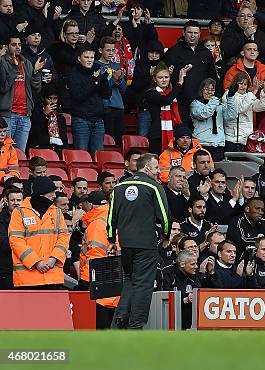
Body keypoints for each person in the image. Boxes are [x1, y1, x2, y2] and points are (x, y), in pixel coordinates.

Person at [108, 153, 171, 329]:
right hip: (146, 244)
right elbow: (165, 218)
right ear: (148, 167)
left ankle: (119, 322)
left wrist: (112, 239)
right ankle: (136, 327)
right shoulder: (154, 187)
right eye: (157, 167)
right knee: (143, 284)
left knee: (129, 281)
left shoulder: (119, 186)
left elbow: (111, 216)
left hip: (125, 244)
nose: (158, 172)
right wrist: (166, 237)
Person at [9, 176, 69, 289]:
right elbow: (16, 241)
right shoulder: (20, 212)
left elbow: (64, 238)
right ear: (42, 194)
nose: (54, 196)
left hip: (53, 277)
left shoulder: (56, 212)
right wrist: (36, 262)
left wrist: (53, 258)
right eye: (51, 193)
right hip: (28, 279)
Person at [77, 191, 118, 328]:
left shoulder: (97, 224)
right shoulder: (112, 219)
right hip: (113, 280)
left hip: (99, 285)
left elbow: (95, 255)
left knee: (100, 326)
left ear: (89, 204)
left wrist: (84, 280)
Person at [0, 33, 44, 150]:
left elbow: (36, 89)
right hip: (7, 116)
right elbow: (3, 87)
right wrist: (14, 69)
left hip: (25, 115)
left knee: (20, 154)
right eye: (14, 44)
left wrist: (35, 72)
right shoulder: (2, 63)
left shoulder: (26, 63)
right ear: (6, 46)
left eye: (19, 44)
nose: (18, 47)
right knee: (5, 152)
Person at [67, 44, 111, 155]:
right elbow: (79, 96)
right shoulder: (73, 73)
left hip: (98, 120)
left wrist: (104, 79)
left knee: (99, 156)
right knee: (82, 156)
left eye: (92, 57)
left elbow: (106, 94)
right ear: (79, 58)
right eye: (86, 57)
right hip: (82, 120)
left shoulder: (97, 70)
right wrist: (95, 82)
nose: (90, 60)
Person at [144, 62, 192, 154]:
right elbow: (166, 100)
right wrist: (180, 82)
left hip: (173, 132)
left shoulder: (172, 93)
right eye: (160, 77)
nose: (164, 80)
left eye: (166, 77)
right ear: (154, 79)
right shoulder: (150, 93)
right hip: (157, 134)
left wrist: (182, 77)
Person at [191, 78, 237, 162]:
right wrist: (213, 101)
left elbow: (231, 116)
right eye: (207, 89)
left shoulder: (218, 104)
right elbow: (204, 114)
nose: (209, 92)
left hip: (218, 144)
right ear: (201, 90)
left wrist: (231, 97)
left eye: (212, 90)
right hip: (202, 143)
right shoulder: (195, 104)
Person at [0, 186, 23, 289]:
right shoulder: (1, 218)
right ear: (6, 201)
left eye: (19, 200)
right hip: (6, 267)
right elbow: (4, 245)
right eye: (12, 200)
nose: (16, 203)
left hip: (25, 266)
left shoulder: (28, 217)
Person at [0, 118, 18, 183]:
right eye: (0, 131)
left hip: (7, 181)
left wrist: (12, 177)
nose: (2, 134)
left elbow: (14, 169)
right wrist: (2, 177)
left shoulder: (10, 148)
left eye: (4, 131)